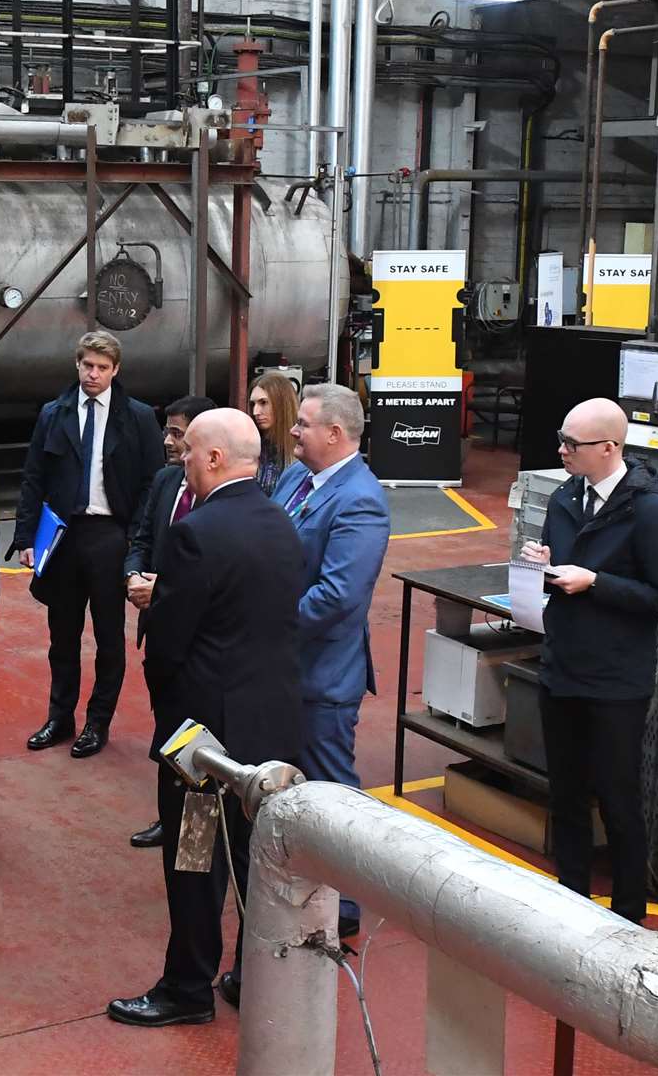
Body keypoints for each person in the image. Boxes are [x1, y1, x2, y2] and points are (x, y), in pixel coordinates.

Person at [106, 408, 303, 1028]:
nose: (181, 458)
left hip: (203, 743)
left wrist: (156, 605)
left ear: (214, 458)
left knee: (194, 860)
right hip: (266, 726)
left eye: (188, 450)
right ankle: (251, 975)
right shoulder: (281, 522)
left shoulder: (197, 533)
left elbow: (168, 641)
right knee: (252, 856)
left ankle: (187, 987)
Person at [520, 397, 658, 925]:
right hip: (563, 665)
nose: (562, 451)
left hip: (615, 680)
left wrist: (596, 583)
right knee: (565, 795)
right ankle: (572, 904)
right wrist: (545, 564)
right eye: (562, 439)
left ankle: (629, 916)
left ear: (610, 448)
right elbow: (561, 554)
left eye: (573, 444)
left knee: (618, 801)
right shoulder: (568, 496)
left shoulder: (649, 512)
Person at [269, 382, 390, 941]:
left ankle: (346, 907)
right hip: (285, 666)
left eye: (304, 425)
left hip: (321, 674)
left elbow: (338, 597)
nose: (293, 432)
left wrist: (263, 626)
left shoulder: (360, 500)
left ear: (336, 435)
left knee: (331, 789)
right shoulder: (298, 478)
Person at [11, 331, 163, 760]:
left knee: (109, 637)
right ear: (77, 365)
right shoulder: (53, 414)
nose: (93, 374)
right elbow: (33, 477)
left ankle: (98, 722)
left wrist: (138, 539)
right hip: (62, 535)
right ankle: (60, 717)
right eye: (87, 366)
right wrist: (25, 537)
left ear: (116, 370)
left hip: (112, 535)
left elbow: (154, 481)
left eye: (101, 367)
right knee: (62, 635)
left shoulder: (136, 417)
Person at [124, 394, 218, 850]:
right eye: (168, 431)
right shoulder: (165, 483)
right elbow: (142, 538)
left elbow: (205, 582)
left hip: (199, 648)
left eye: (178, 433)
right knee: (167, 731)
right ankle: (169, 817)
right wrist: (132, 575)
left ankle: (196, 838)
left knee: (198, 742)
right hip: (160, 635)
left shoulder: (222, 505)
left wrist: (156, 589)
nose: (168, 440)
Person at [249, 371, 298, 496]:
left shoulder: (303, 450)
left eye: (263, 403)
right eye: (253, 404)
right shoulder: (251, 447)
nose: (256, 412)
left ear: (282, 404)